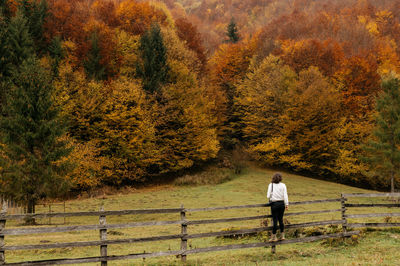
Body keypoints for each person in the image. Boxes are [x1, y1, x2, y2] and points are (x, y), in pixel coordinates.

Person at [267, 172, 289, 242]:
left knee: (275, 220)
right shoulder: (283, 185)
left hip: (274, 204)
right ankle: (282, 236)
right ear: (280, 178)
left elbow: (268, 196)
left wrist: (272, 195)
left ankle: (274, 237)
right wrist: (287, 204)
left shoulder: (271, 185)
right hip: (282, 204)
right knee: (281, 220)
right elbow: (285, 195)